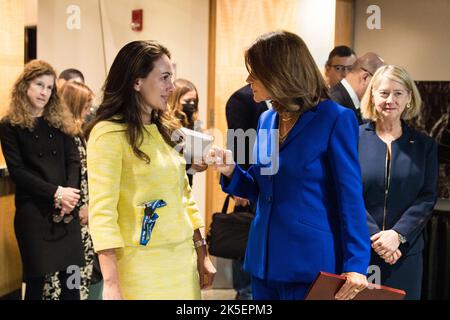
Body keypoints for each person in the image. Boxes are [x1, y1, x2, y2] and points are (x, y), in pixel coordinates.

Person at [207, 31, 370, 300]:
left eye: (254, 72)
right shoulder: (267, 120)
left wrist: (356, 265)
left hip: (309, 264)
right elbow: (263, 188)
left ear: (280, 72)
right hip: (263, 261)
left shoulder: (334, 118)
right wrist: (231, 170)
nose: (248, 80)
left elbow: (350, 197)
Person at [85, 40, 216, 300]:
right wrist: (111, 283)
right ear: (136, 81)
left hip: (181, 261)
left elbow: (184, 196)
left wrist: (202, 252)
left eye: (172, 78)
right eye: (165, 78)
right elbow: (102, 213)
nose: (171, 87)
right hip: (138, 266)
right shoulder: (108, 134)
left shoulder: (166, 130)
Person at [0, 60, 85, 300]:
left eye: (49, 88)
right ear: (25, 85)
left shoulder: (60, 121)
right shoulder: (9, 125)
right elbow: (18, 172)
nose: (45, 92)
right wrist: (56, 193)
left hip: (66, 211)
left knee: (72, 281)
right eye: (39, 85)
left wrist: (70, 195)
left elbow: (73, 161)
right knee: (36, 284)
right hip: (34, 214)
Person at [358, 65, 438, 300]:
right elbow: (345, 194)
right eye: (383, 93)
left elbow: (427, 197)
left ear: (409, 98)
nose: (390, 100)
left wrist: (397, 236)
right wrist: (377, 238)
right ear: (372, 95)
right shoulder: (352, 138)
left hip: (405, 254)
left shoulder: (425, 145)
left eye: (398, 93)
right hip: (360, 250)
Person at [43, 81, 97, 300]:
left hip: (80, 213)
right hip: (70, 212)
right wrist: (82, 204)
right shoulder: (64, 135)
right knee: (67, 272)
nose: (89, 111)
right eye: (86, 106)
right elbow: (74, 176)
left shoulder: (78, 133)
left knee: (78, 272)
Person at [225, 84, 268, 300]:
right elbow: (238, 141)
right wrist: (238, 180)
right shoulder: (241, 98)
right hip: (249, 185)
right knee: (244, 239)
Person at [168, 78, 207, 186]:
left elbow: (197, 164)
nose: (192, 104)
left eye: (194, 101)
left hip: (187, 184)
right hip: (168, 183)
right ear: (174, 100)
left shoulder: (195, 125)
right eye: (187, 101)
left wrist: (203, 164)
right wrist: (190, 164)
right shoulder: (166, 125)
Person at [329, 52, 385, 124]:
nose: (379, 90)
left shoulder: (355, 104)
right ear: (365, 77)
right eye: (379, 83)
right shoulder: (334, 103)